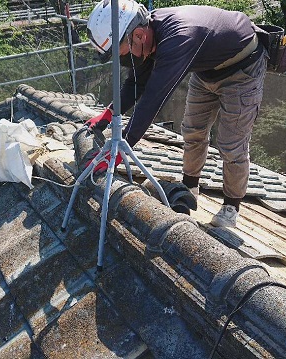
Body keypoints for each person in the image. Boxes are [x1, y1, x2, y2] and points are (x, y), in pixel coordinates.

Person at [84, 0, 269, 227]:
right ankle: (190, 187)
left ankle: (231, 206)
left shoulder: (178, 38)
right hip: (206, 70)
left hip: (242, 69)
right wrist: (106, 116)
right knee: (193, 131)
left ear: (140, 35)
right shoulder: (143, 36)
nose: (123, 61)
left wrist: (120, 150)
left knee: (231, 143)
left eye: (122, 54)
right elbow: (136, 84)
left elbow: (152, 99)